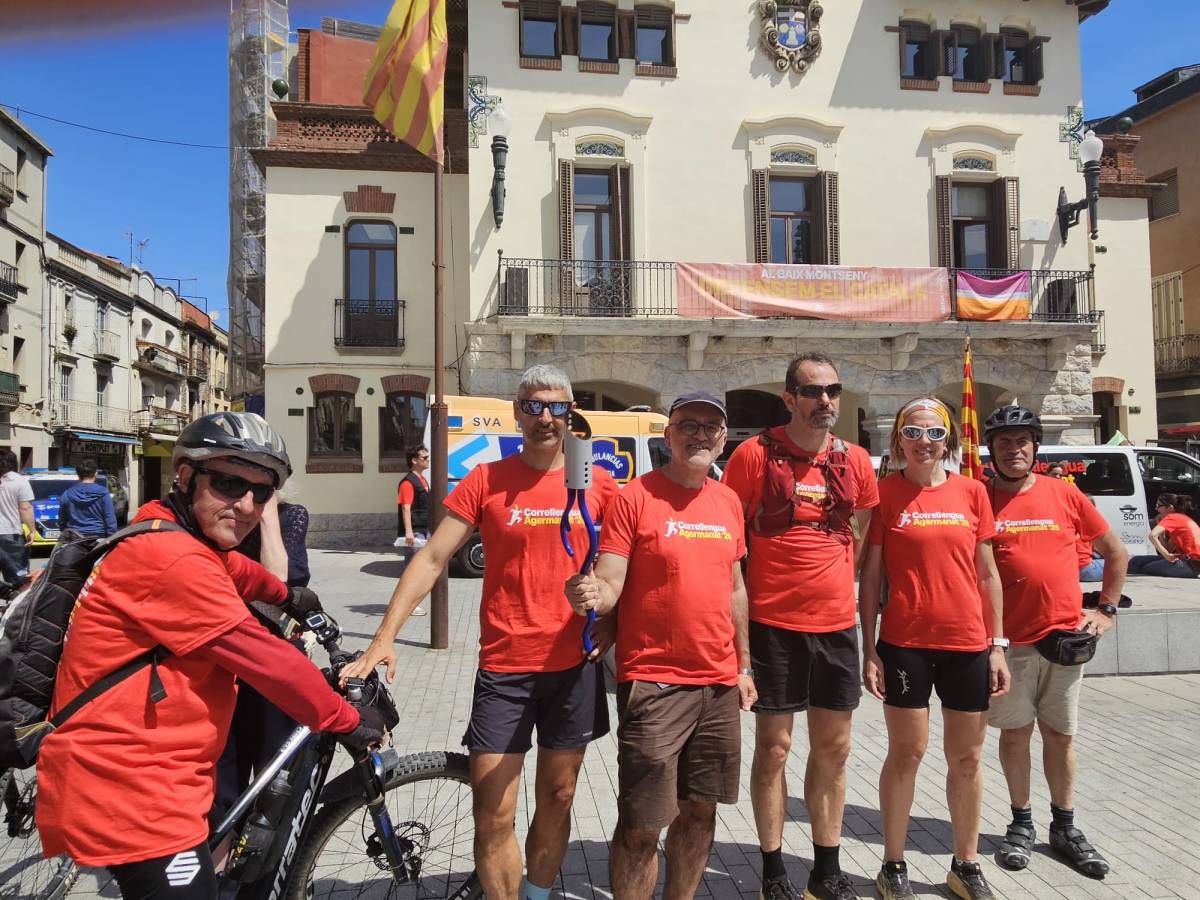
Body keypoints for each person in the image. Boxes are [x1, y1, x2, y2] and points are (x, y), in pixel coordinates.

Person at [35, 412, 385, 900]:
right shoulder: (173, 561)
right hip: (133, 794)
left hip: (154, 777)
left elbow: (235, 568)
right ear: (185, 476)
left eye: (260, 493)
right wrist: (346, 719)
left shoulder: (161, 529)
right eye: (227, 483)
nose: (244, 505)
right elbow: (268, 661)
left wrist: (286, 595)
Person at [342, 365, 618, 900]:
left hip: (575, 668)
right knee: (493, 813)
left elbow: (625, 563)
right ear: (517, 411)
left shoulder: (598, 484)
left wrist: (613, 619)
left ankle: (537, 894)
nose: (545, 417)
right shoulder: (487, 480)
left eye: (557, 407)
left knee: (559, 795)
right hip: (506, 669)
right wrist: (384, 636)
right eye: (534, 406)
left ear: (570, 415)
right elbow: (432, 558)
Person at [565, 391, 755, 900]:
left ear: (723, 438)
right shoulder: (636, 497)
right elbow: (611, 577)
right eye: (688, 425)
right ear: (668, 436)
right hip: (655, 683)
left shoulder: (728, 501)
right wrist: (594, 596)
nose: (699, 435)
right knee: (643, 824)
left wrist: (745, 667)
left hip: (718, 687)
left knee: (700, 812)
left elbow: (735, 586)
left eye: (711, 427)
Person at [720, 352, 878, 900]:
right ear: (790, 398)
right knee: (776, 748)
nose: (825, 400)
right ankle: (772, 868)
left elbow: (862, 537)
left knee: (834, 750)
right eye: (813, 391)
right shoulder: (753, 455)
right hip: (772, 625)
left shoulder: (856, 460)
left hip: (835, 626)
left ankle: (826, 868)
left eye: (833, 390)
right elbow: (729, 541)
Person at [858, 398, 1010, 900]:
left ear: (950, 440)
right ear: (899, 440)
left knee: (966, 758)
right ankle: (893, 864)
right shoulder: (884, 494)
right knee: (908, 752)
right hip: (905, 645)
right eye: (914, 433)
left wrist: (998, 645)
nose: (925, 442)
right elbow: (871, 577)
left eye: (935, 433)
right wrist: (869, 648)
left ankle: (964, 865)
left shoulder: (973, 492)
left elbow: (988, 574)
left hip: (968, 643)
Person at [982, 404, 1128, 881]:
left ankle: (1064, 825)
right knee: (1016, 734)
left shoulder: (1063, 494)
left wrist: (1105, 610)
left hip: (1064, 638)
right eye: (1005, 441)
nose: (1014, 449)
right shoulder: (981, 499)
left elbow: (1115, 551)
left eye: (1022, 440)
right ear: (992, 449)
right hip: (1010, 645)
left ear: (1036, 447)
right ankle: (1021, 821)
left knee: (1061, 736)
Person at [395, 444, 431, 616]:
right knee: (411, 569)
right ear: (414, 461)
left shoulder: (422, 480)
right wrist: (409, 532)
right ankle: (407, 604)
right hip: (415, 531)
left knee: (417, 568)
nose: (427, 460)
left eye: (427, 457)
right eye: (424, 458)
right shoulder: (408, 482)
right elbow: (406, 508)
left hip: (423, 529)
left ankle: (410, 602)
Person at [1128, 494, 1200, 578]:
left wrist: (1166, 555)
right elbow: (1168, 549)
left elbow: (1152, 535)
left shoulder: (1173, 517)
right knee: (1136, 561)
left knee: (1142, 567)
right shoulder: (1182, 519)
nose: (1156, 509)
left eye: (1159, 506)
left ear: (1170, 508)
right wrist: (1162, 531)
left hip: (1191, 565)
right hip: (1190, 563)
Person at [58, 457, 118, 537]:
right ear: (95, 474)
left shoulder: (67, 494)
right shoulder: (103, 493)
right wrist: (111, 538)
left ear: (78, 475)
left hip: (75, 538)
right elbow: (110, 520)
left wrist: (64, 531)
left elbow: (62, 521)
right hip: (98, 538)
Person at [0, 449, 35, 582]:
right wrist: (32, 530)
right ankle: (16, 601)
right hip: (11, 534)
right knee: (19, 579)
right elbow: (25, 508)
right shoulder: (19, 480)